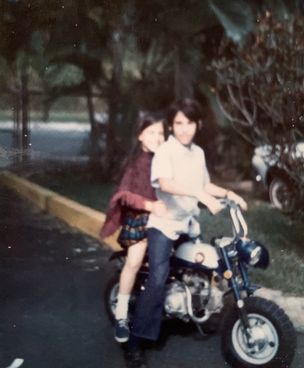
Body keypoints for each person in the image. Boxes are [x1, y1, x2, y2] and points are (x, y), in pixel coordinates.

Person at [126, 98, 247, 368]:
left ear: (198, 125)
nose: (184, 129)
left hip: (189, 224)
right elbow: (166, 183)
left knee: (203, 267)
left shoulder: (198, 153)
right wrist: (196, 192)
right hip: (165, 225)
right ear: (171, 126)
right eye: (178, 123)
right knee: (157, 279)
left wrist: (229, 193)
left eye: (189, 123)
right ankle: (135, 343)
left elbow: (206, 184)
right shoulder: (165, 152)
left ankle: (191, 310)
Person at [100, 111, 167, 343]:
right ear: (140, 135)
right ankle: (121, 316)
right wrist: (148, 205)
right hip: (139, 219)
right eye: (151, 132)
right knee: (135, 261)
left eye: (161, 132)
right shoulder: (136, 163)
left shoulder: (165, 159)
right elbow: (124, 195)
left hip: (164, 219)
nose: (157, 137)